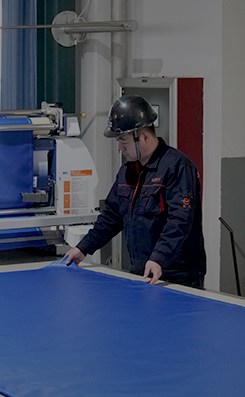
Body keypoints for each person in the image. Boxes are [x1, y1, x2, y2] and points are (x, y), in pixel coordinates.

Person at [66, 94, 206, 288]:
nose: (120, 148)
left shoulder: (177, 167)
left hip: (177, 276)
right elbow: (112, 216)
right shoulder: (128, 171)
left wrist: (158, 258)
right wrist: (83, 248)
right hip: (143, 272)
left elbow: (180, 221)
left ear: (144, 137)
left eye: (123, 141)